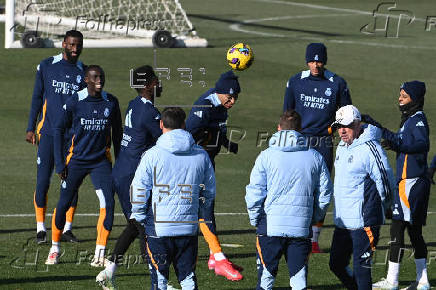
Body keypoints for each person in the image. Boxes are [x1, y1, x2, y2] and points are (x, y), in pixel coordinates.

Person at [245, 110, 333, 290]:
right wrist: (312, 217)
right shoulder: (316, 157)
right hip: (301, 228)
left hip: (270, 227)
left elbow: (254, 193)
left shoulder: (266, 156)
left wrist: (255, 219)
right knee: (299, 282)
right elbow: (324, 195)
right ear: (300, 129)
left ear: (278, 129)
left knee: (266, 281)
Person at [130, 107, 216, 290]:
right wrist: (198, 211)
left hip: (159, 228)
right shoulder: (201, 155)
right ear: (184, 125)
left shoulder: (152, 155)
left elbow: (139, 188)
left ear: (161, 124)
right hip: (188, 226)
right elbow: (209, 191)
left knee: (160, 280)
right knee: (188, 278)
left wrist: (137, 215)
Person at [45, 65, 122, 266]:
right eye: (95, 77)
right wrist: (60, 163)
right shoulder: (75, 102)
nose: (99, 80)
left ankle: (99, 253)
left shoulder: (111, 102)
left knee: (108, 203)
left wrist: (120, 162)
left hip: (101, 162)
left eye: (102, 76)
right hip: (76, 161)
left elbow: (117, 134)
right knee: (63, 203)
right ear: (86, 80)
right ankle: (54, 248)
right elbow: (58, 130)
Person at [96, 65, 162, 289]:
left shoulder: (134, 105)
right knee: (144, 224)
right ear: (148, 85)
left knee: (135, 225)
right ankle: (157, 277)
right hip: (133, 177)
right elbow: (164, 140)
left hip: (122, 173)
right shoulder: (150, 113)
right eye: (155, 81)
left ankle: (109, 271)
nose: (158, 84)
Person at [283, 42, 352, 253]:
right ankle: (293, 232)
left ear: (325, 60)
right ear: (306, 61)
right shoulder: (295, 82)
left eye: (319, 60)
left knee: (321, 189)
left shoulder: (337, 83)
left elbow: (346, 113)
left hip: (323, 141)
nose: (315, 65)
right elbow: (287, 113)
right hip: (299, 140)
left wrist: (338, 133)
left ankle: (313, 239)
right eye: (312, 60)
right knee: (296, 187)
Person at [368, 81, 431, 290]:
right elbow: (399, 141)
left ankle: (392, 280)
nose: (399, 98)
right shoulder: (409, 121)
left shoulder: (418, 120)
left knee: (397, 228)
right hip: (410, 182)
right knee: (414, 232)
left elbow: (422, 144)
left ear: (414, 98)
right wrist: (379, 128)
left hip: (410, 183)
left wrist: (398, 144)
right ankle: (423, 281)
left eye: (404, 95)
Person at [26, 30, 85, 244]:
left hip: (71, 137)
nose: (75, 49)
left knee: (71, 182)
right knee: (43, 181)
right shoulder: (47, 65)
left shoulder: (84, 72)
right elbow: (36, 97)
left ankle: (67, 228)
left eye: (78, 45)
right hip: (48, 133)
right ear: (63, 44)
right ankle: (41, 228)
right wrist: (30, 127)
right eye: (71, 44)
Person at [329, 105, 394, 290]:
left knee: (362, 270)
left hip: (365, 221)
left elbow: (386, 181)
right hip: (343, 221)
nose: (342, 130)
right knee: (336, 264)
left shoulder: (370, 148)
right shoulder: (342, 146)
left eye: (347, 126)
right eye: (339, 126)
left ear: (358, 124)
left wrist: (385, 206)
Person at [185, 70, 243, 280]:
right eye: (230, 96)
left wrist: (227, 143)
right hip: (197, 166)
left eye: (236, 97)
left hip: (208, 163)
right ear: (220, 92)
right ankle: (218, 257)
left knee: (208, 207)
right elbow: (187, 136)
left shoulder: (221, 104)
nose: (233, 101)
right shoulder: (204, 107)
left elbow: (217, 130)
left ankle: (213, 254)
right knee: (203, 208)